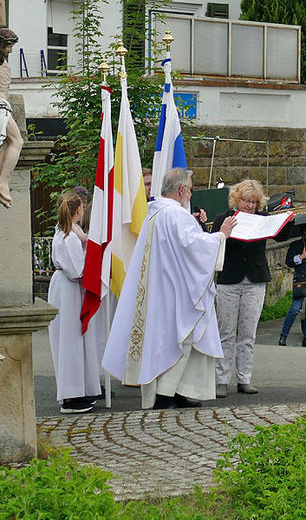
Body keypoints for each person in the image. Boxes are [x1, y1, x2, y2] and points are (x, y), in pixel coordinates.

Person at [102, 168, 237, 410]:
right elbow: (194, 248)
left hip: (162, 289)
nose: (191, 194)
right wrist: (221, 236)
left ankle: (179, 391)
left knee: (173, 341)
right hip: (176, 292)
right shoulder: (176, 216)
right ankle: (165, 396)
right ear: (182, 190)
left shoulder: (155, 213)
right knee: (181, 338)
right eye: (191, 189)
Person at [212, 180, 291, 397]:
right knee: (226, 332)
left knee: (248, 334)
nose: (249, 206)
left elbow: (281, 235)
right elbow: (213, 244)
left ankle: (244, 379)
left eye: (254, 202)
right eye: (246, 201)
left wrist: (286, 218)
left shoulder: (263, 219)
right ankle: (221, 379)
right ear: (237, 199)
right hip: (229, 278)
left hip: (255, 279)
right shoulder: (224, 219)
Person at [48, 192, 101, 413]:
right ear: (77, 209)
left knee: (73, 340)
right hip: (68, 290)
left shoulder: (68, 232)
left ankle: (78, 390)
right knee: (69, 341)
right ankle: (70, 397)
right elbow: (76, 270)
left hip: (67, 289)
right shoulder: (69, 237)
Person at [0, 28, 22, 209]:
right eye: (9, 45)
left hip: (2, 105)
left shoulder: (2, 61)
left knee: (8, 143)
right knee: (18, 141)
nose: (11, 49)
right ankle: (2, 181)